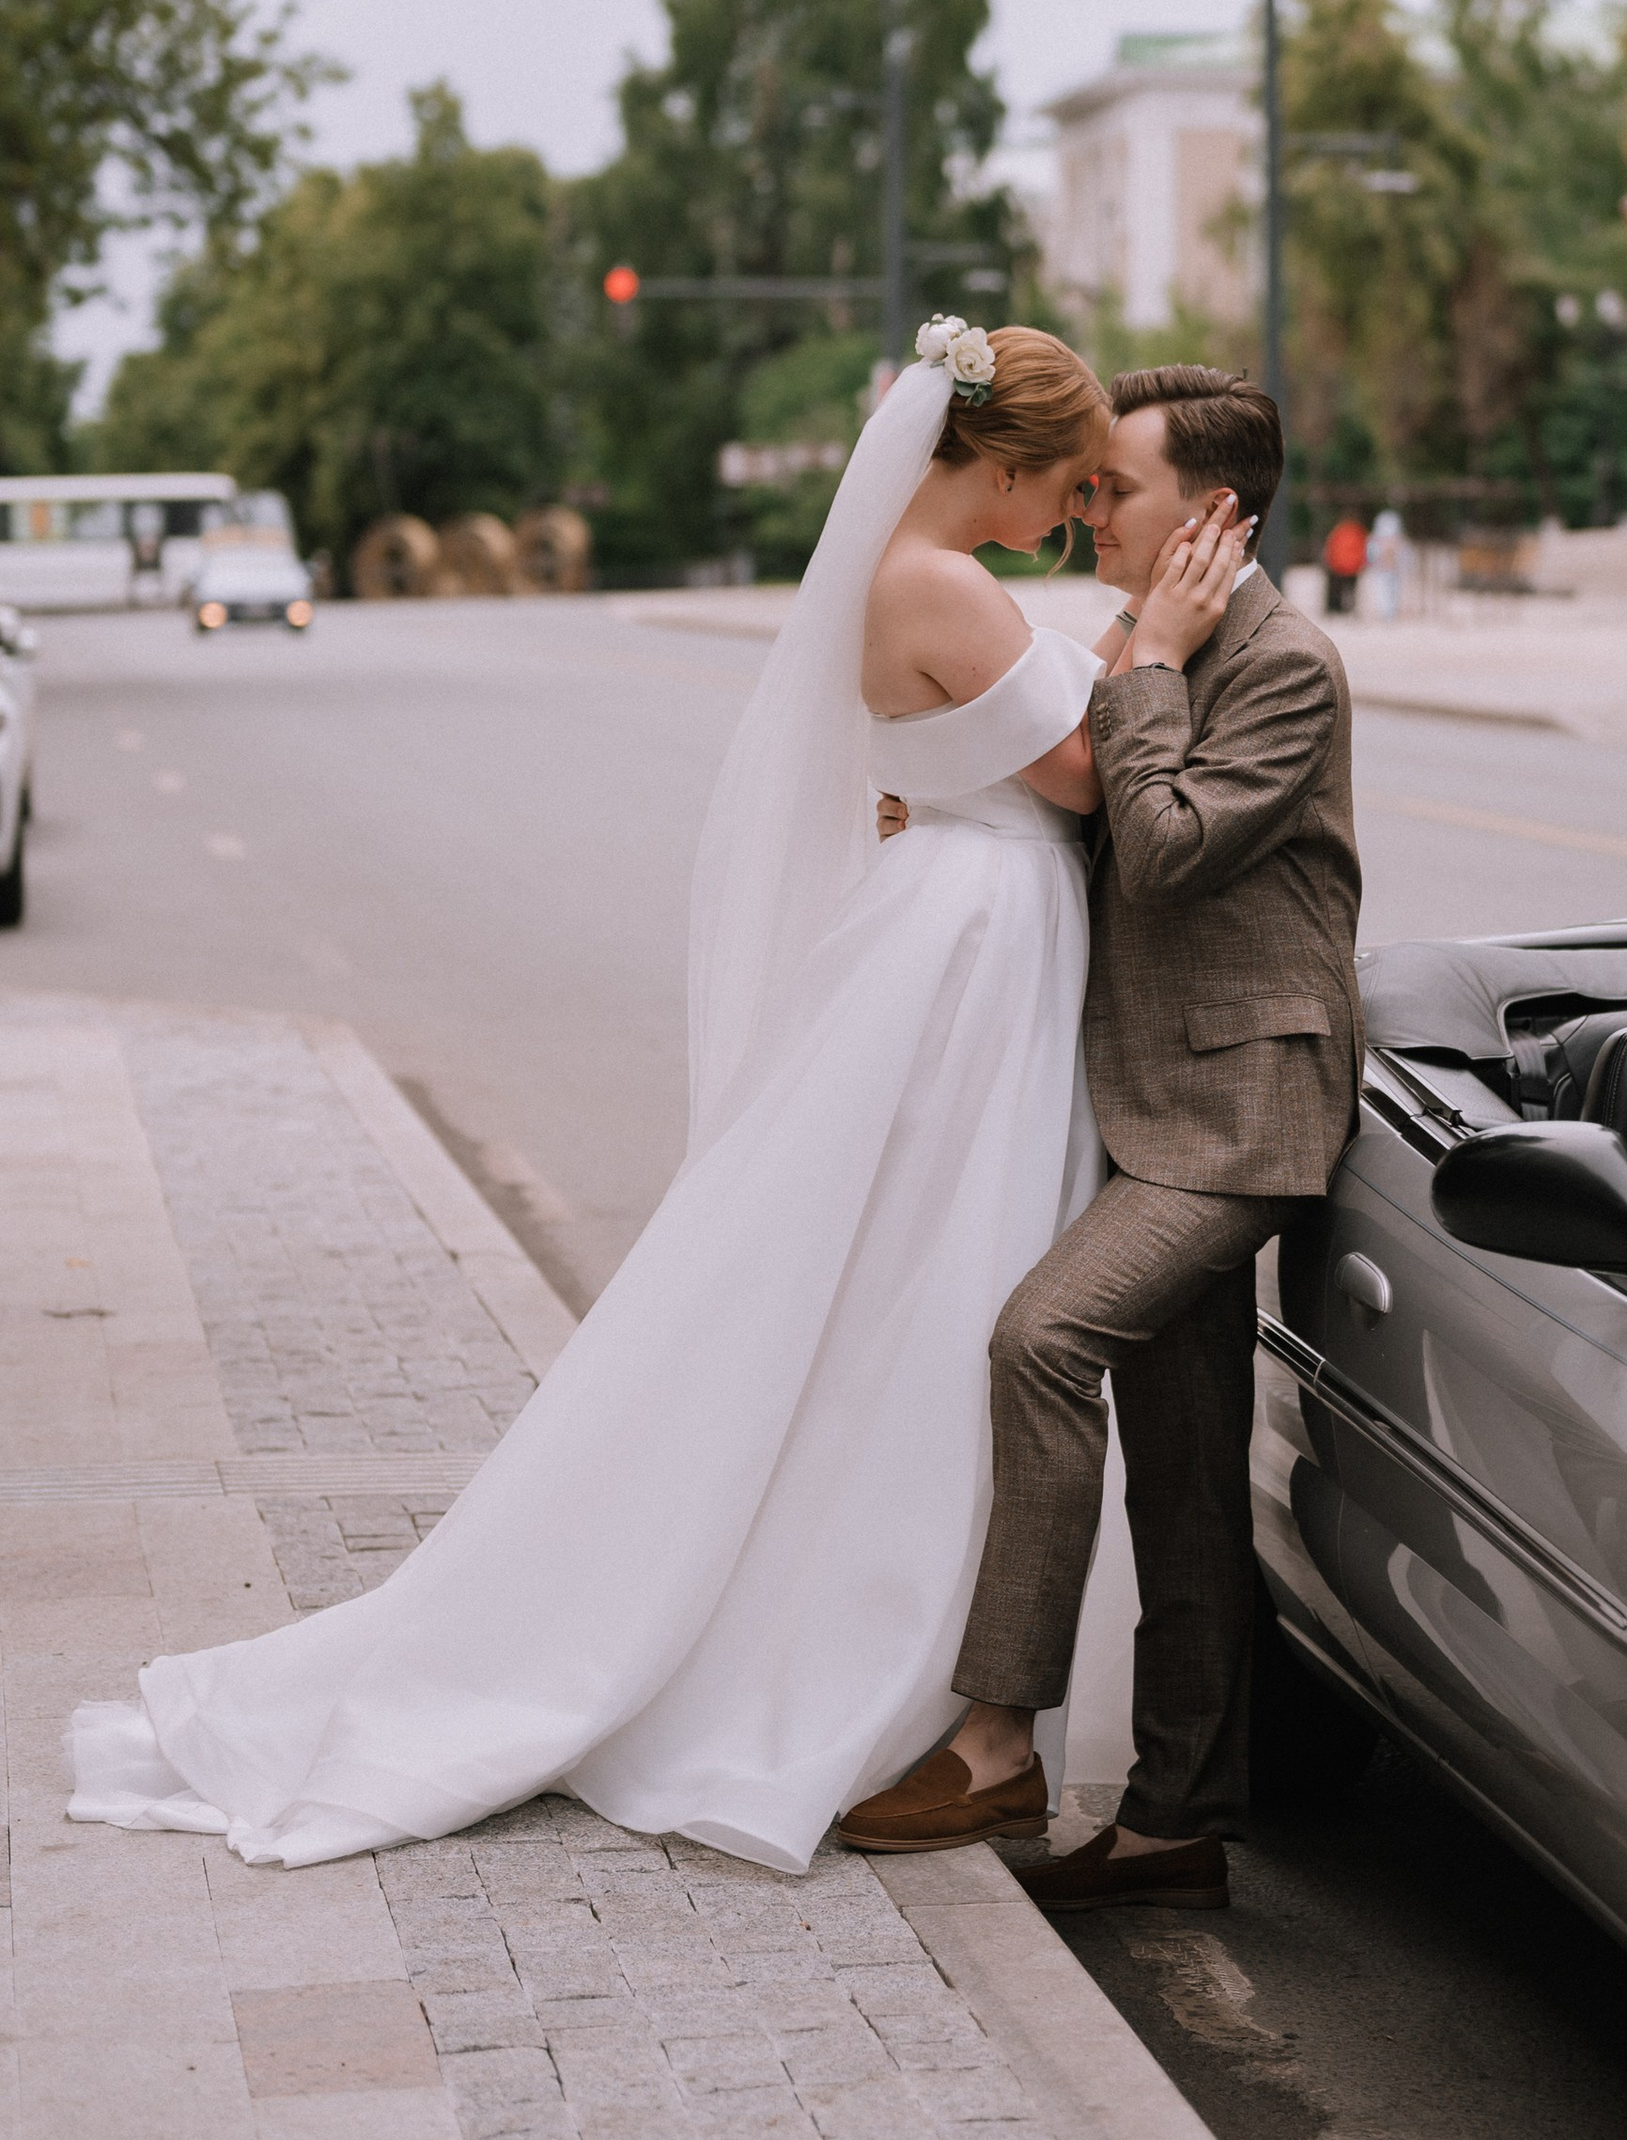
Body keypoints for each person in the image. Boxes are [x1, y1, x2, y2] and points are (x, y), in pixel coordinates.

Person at [65, 322, 1251, 1875]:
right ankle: (843, 1648)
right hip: (968, 959)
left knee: (910, 1288)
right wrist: (1153, 648)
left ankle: (918, 1650)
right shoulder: (938, 584)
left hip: (966, 938)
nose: (1078, 509)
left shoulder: (929, 577)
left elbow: (1023, 727)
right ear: (1006, 466)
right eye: (1069, 482)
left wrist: (1114, 654)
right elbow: (1091, 777)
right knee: (917, 1289)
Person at [837, 363, 1363, 1914]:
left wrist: (1148, 668)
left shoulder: (1283, 664)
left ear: (1210, 514)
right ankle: (1178, 1815)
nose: (1083, 513)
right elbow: (1061, 790)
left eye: (1112, 491)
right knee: (1186, 1471)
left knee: (1040, 1343)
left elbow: (1167, 847)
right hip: (1145, 1090)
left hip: (1244, 1112)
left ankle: (999, 1735)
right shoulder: (1147, 643)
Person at [1320, 507, 1367, 617]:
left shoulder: (1339, 531)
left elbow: (1332, 547)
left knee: (1336, 589)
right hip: (1352, 566)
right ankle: (1349, 608)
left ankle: (1336, 607)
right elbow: (1363, 549)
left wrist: (1330, 561)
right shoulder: (1358, 531)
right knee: (1351, 589)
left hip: (1339, 566)